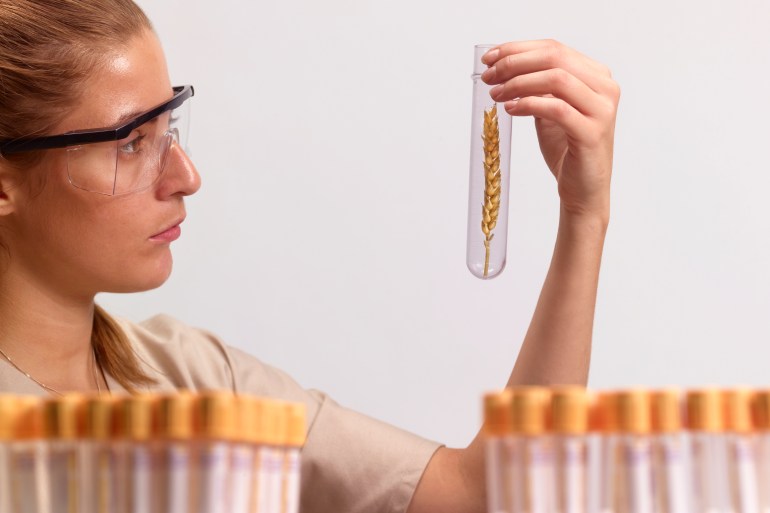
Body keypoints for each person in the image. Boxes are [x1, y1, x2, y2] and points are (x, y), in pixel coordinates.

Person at [0, 1, 620, 512]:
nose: (185, 176)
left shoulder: (190, 377)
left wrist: (583, 219)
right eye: (131, 144)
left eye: (170, 128)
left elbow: (482, 495)